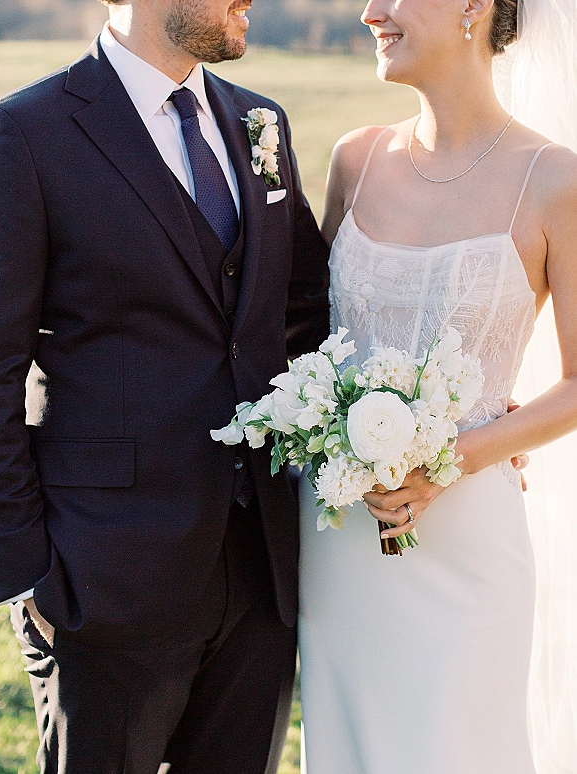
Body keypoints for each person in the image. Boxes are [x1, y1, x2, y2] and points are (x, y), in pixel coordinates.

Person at [0, 0, 330, 771]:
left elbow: (307, 312)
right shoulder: (28, 134)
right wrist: (32, 580)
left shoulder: (260, 122)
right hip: (101, 584)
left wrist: (438, 414)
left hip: (260, 579)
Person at [298, 0, 577, 772]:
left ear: (473, 6)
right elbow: (306, 344)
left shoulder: (554, 179)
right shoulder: (355, 160)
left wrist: (465, 450)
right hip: (341, 537)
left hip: (469, 546)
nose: (368, 12)